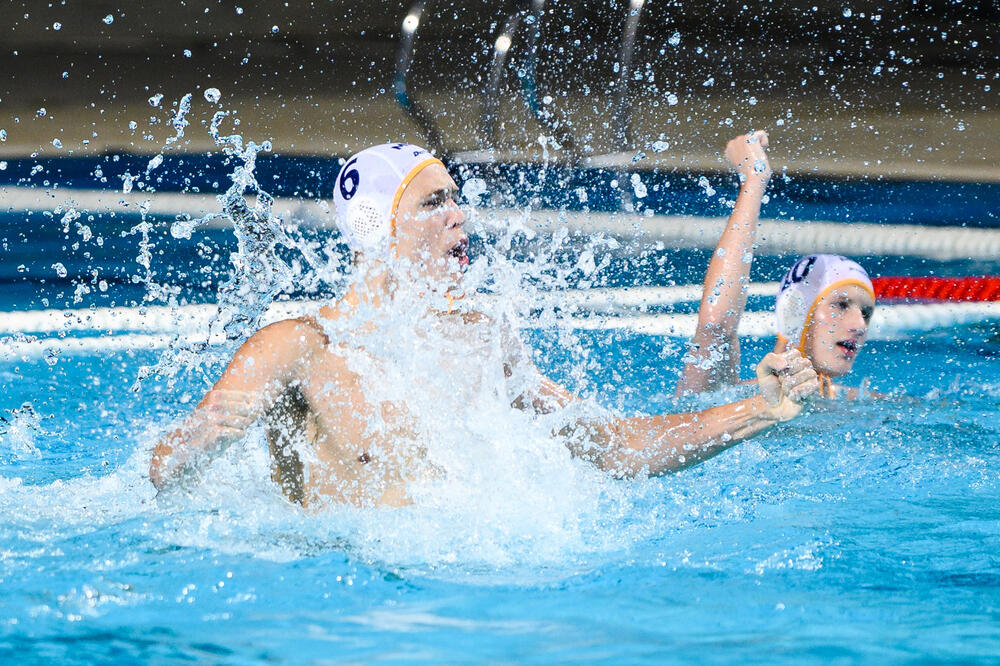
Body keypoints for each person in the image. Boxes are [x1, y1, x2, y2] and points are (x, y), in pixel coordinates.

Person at [150, 142, 821, 507]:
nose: (460, 218)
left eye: (458, 199)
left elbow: (615, 447)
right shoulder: (298, 346)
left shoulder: (478, 334)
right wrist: (198, 440)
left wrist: (762, 410)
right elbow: (162, 473)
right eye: (435, 202)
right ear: (376, 226)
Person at [676, 132, 876, 399]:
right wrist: (753, 182)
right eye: (840, 305)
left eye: (866, 313)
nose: (859, 326)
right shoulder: (732, 400)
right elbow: (715, 327)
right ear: (796, 309)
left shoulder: (863, 405)